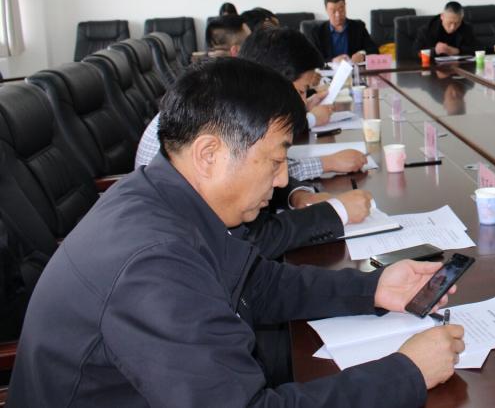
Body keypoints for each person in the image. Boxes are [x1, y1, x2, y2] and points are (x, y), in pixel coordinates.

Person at [9, 59, 464, 407]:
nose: (283, 180)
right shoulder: (153, 264)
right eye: (275, 161)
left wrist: (374, 289)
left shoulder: (159, 195)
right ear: (209, 154)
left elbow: (256, 283)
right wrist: (407, 373)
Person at [135, 27, 372, 260]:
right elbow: (248, 240)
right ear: (273, 84)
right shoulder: (209, 128)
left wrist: (296, 194)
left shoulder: (220, 107)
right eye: (301, 91)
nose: (303, 101)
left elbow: (262, 168)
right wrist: (335, 213)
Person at [313, 0, 379, 64]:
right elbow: (313, 58)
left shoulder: (358, 27)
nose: (338, 15)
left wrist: (362, 54)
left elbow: (374, 50)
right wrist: (332, 60)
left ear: (345, 7)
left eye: (341, 10)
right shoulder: (318, 32)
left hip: (354, 69)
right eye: (333, 11)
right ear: (326, 10)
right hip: (329, 70)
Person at [414, 1, 478, 57]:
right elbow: (415, 53)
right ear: (442, 16)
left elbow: (478, 49)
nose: (452, 27)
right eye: (449, 23)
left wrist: (458, 51)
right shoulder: (426, 30)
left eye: (457, 23)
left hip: (459, 65)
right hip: (434, 65)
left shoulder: (466, 28)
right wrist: (434, 51)